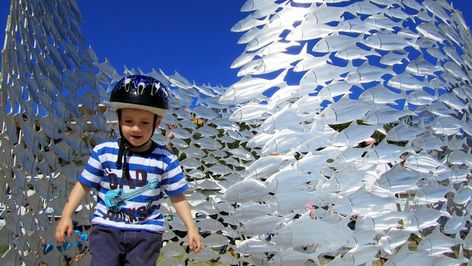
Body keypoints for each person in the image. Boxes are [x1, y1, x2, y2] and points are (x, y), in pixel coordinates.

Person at [55, 75, 202, 265]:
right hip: (106, 229)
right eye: (129, 121)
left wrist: (191, 228)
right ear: (118, 119)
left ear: (157, 123)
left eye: (144, 123)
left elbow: (178, 197)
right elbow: (83, 186)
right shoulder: (103, 152)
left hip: (147, 233)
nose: (136, 128)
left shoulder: (166, 159)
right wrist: (66, 215)